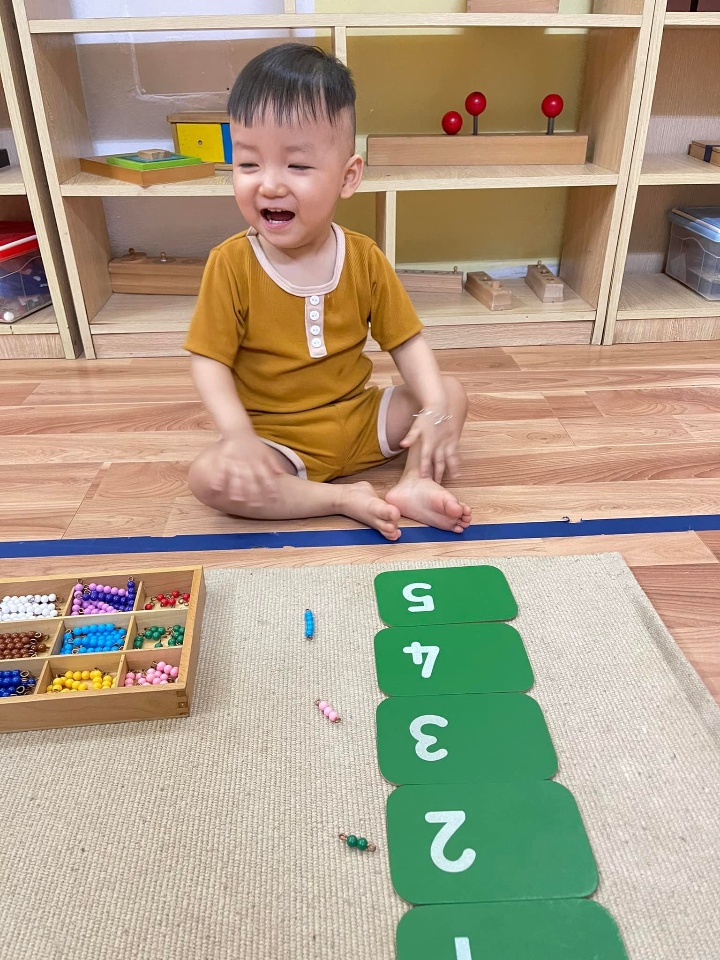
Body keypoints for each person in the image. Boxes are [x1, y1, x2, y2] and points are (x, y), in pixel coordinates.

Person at [184, 42, 471, 542]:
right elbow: (209, 362)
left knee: (449, 393)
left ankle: (413, 483)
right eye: (248, 164)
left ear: (347, 176)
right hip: (278, 439)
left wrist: (433, 409)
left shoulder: (364, 257)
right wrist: (238, 435)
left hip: (362, 420)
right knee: (208, 478)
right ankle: (339, 499)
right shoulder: (231, 264)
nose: (269, 185)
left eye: (296, 166)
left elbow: (407, 344)